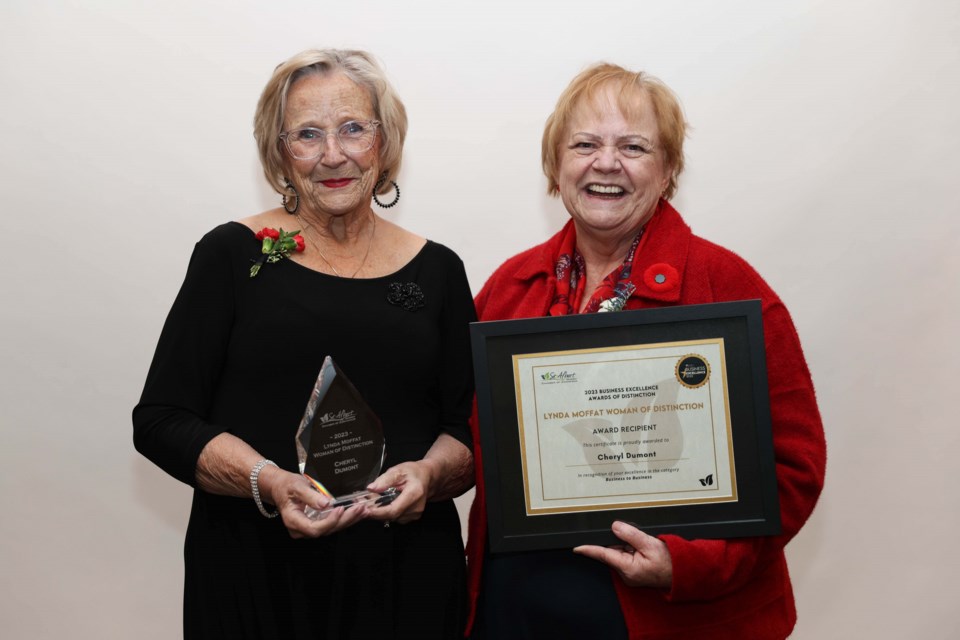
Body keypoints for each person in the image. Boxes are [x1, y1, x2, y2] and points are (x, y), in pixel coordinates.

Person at [465, 63, 827, 640]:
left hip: (675, 616)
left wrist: (689, 564)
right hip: (519, 608)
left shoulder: (728, 287)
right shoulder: (512, 285)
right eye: (584, 144)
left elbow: (793, 467)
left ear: (668, 172)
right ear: (555, 168)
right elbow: (468, 434)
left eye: (633, 146)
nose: (606, 163)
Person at [133, 48, 476, 639]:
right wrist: (267, 480)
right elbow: (160, 419)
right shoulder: (232, 256)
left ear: (385, 141)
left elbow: (469, 429)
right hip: (256, 577)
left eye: (353, 129)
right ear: (279, 151)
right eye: (307, 135)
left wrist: (429, 474)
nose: (333, 155)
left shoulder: (438, 270)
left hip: (406, 579)